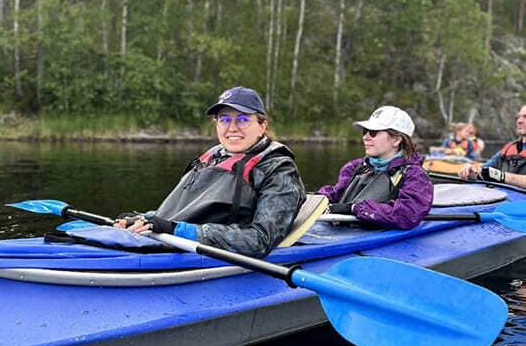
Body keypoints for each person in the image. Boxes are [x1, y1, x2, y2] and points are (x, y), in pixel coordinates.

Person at [116, 86, 306, 258]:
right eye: (224, 119)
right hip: (176, 242)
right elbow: (183, 211)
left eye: (243, 119)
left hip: (211, 258)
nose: (232, 128)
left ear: (262, 126)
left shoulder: (279, 170)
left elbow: (260, 240)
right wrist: (145, 219)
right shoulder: (214, 157)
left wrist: (176, 230)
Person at [317, 105, 433, 230]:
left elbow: (408, 214)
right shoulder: (355, 167)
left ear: (396, 140)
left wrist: (353, 208)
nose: (365, 137)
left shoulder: (415, 176)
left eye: (373, 133)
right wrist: (317, 201)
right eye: (364, 132)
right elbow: (336, 193)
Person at [458, 105, 526, 189]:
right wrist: (471, 171)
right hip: (500, 196)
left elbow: (496, 175)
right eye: (519, 117)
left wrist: (500, 176)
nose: (519, 121)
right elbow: (482, 170)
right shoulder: (508, 148)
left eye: (525, 117)